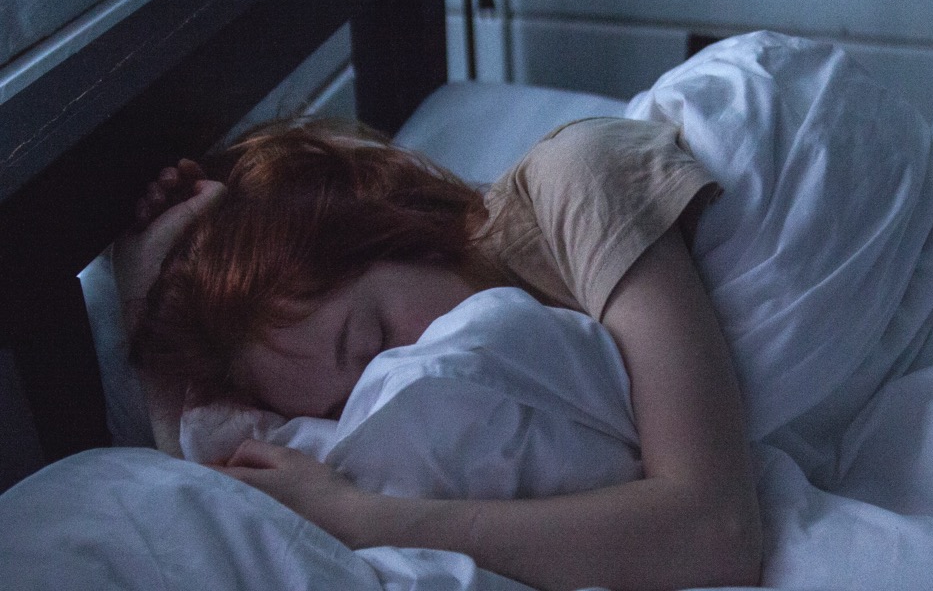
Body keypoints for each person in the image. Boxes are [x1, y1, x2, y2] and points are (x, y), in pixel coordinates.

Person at [114, 117, 761, 591]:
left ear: (393, 228)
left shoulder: (579, 183)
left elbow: (717, 529)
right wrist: (149, 323)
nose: (399, 383)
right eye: (346, 405)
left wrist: (365, 518)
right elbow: (215, 509)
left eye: (374, 341)